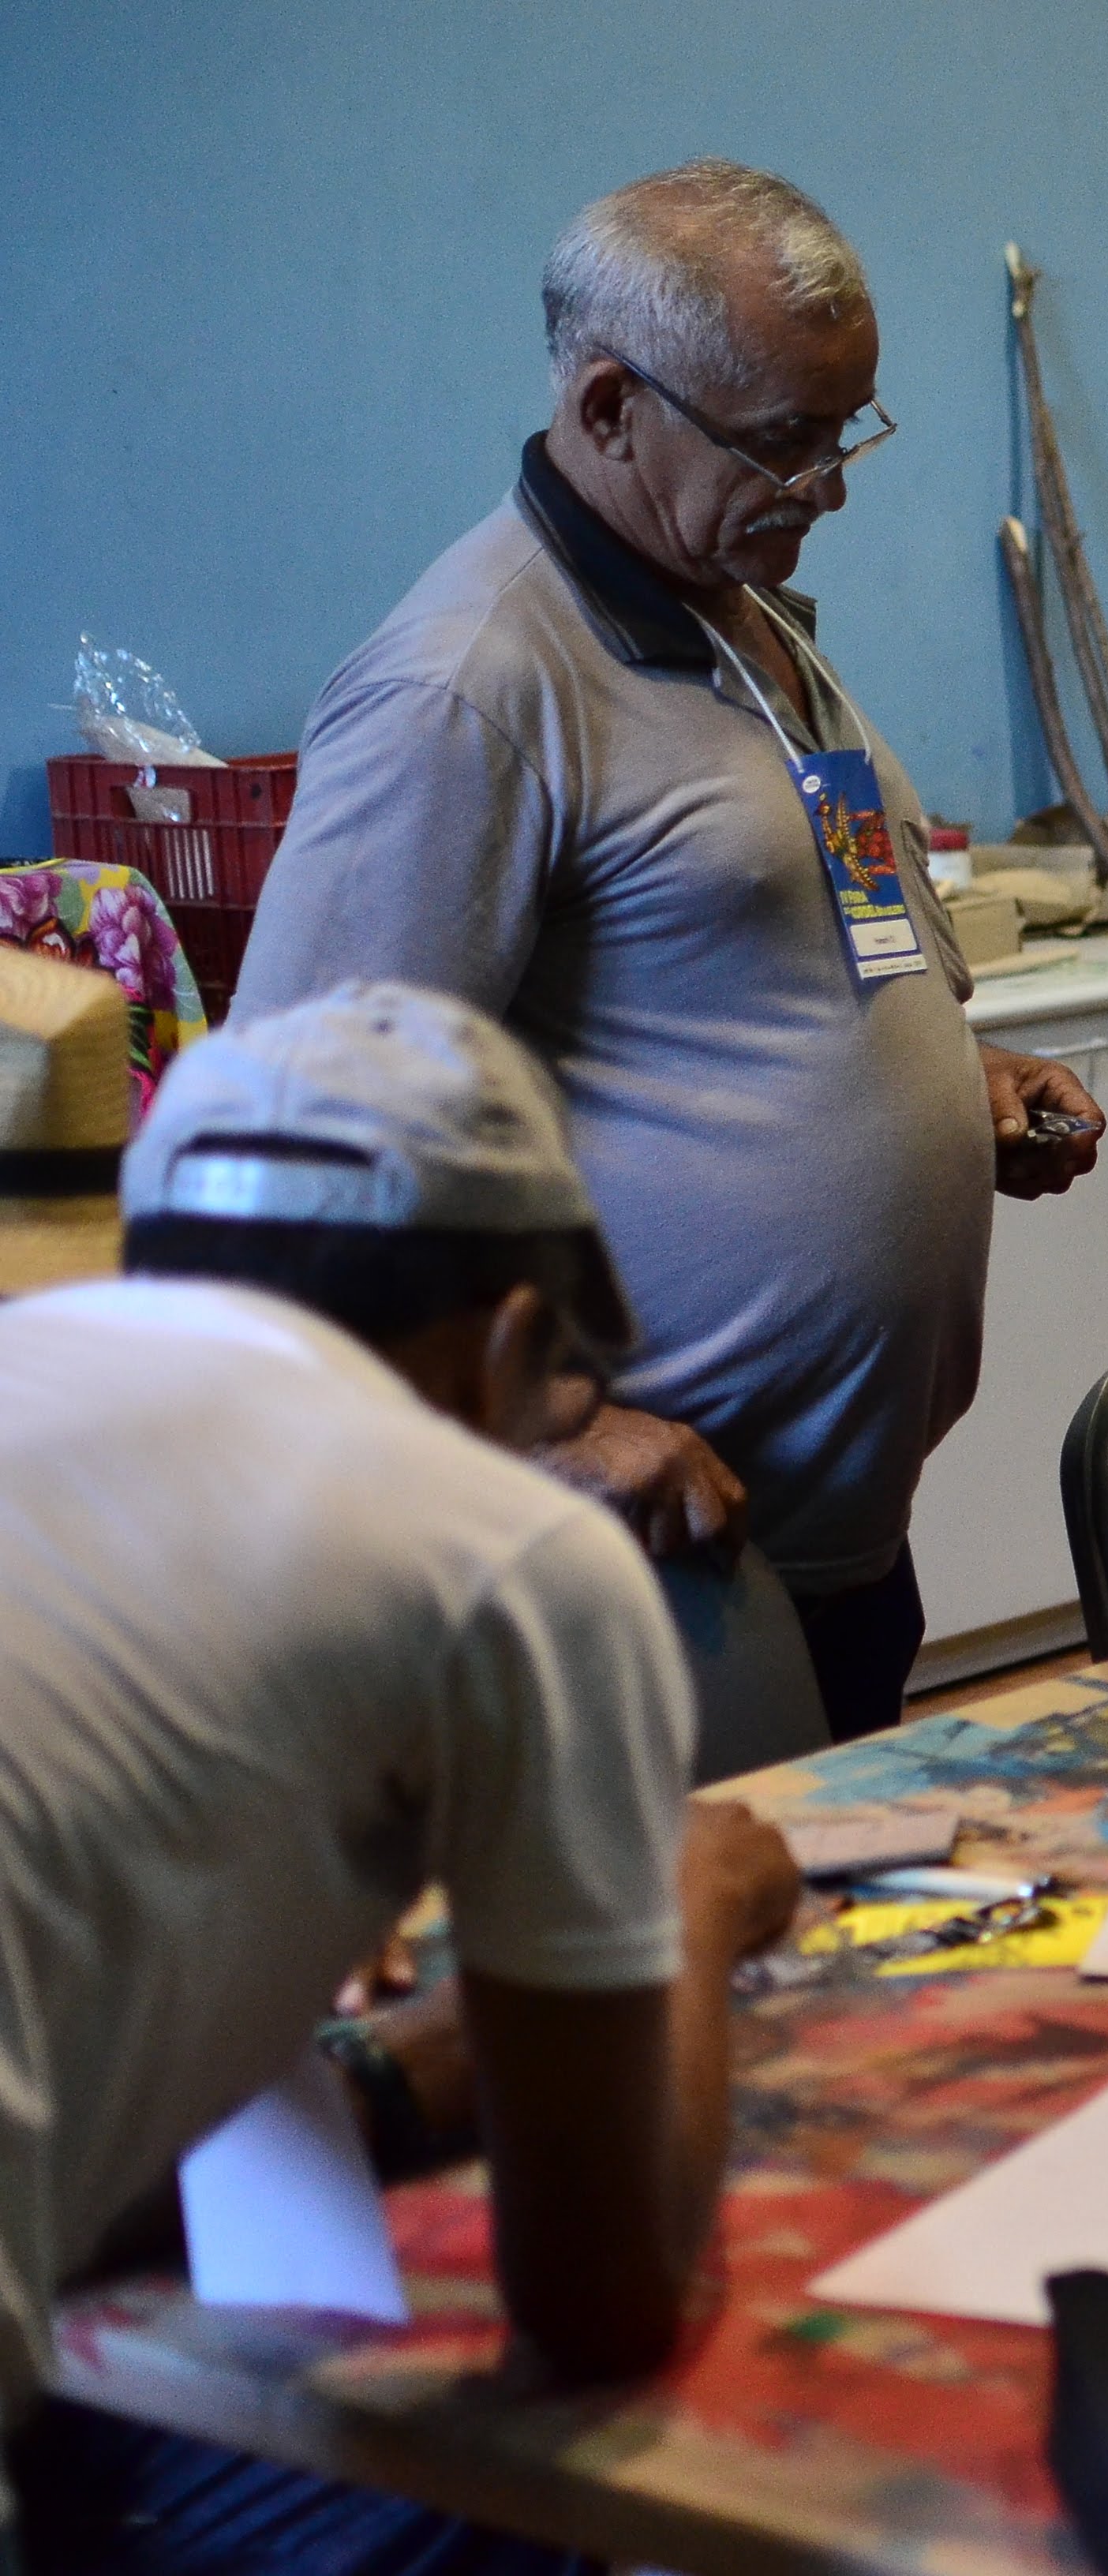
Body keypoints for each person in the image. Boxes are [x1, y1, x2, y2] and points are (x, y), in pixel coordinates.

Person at [235, 160, 1102, 1743]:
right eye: (784, 439)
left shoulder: (737, 618)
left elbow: (749, 966)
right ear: (610, 406)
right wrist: (543, 1428)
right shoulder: (469, 682)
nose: (828, 487)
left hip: (824, 1544)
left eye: (847, 430)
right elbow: (289, 1154)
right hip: (630, 1566)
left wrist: (945, 1083)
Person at [0, 979, 803, 2562]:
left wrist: (373, 2061)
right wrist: (684, 1895)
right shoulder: (499, 1548)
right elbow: (600, 2305)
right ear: (508, 1344)